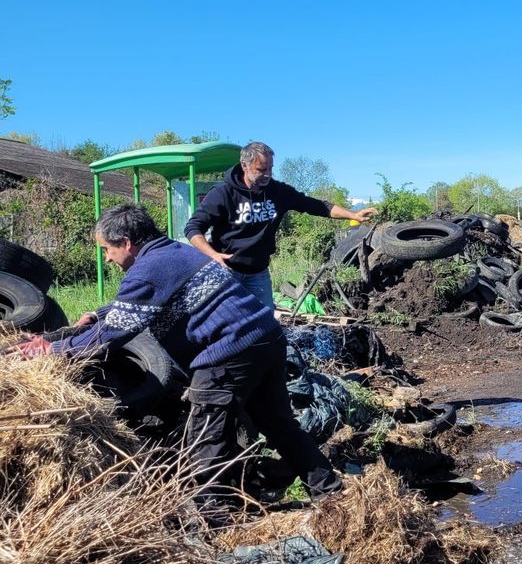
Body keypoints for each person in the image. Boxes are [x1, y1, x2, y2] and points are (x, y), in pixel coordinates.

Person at [13, 204, 341, 500]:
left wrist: (54, 348)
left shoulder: (148, 268)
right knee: (279, 423)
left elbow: (114, 333)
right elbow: (144, 302)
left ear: (126, 242)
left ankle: (212, 517)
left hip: (230, 350)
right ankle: (330, 492)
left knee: (205, 435)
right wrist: (99, 314)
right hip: (265, 338)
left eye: (107, 250)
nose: (108, 259)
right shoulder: (174, 253)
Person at [184, 141, 377, 308]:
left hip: (258, 273)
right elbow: (193, 228)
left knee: (265, 324)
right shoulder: (223, 193)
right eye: (261, 169)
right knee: (227, 323)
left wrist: (353, 214)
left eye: (270, 169)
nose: (268, 174)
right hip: (227, 271)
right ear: (245, 165)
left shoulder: (277, 192)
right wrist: (213, 255)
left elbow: (318, 206)